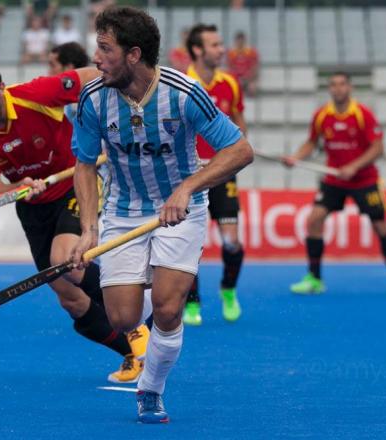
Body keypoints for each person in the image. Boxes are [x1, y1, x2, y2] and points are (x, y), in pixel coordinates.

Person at [71, 6, 253, 423]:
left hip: (181, 210)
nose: (95, 58)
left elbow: (240, 149)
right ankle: (149, 279)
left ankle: (150, 390)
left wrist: (187, 187)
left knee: (170, 310)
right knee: (123, 317)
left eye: (104, 49)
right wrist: (88, 228)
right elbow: (84, 163)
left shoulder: (184, 93)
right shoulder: (93, 100)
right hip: (122, 212)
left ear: (133, 54)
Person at [0, 56, 149, 383]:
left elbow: (89, 75)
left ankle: (138, 317)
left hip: (74, 185)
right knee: (70, 299)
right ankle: (132, 354)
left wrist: (127, 103)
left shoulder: (36, 94)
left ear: (1, 88)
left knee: (67, 263)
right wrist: (19, 187)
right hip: (32, 208)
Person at [283, 72, 386, 296]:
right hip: (334, 179)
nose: (337, 88)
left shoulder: (363, 115)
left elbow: (378, 148)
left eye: (342, 84)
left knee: (380, 226)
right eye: (333, 85)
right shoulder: (322, 116)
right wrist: (296, 157)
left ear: (350, 87)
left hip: (365, 180)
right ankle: (314, 278)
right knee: (315, 219)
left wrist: (354, 166)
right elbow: (312, 142)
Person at [180, 24, 247, 326]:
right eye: (216, 45)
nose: (222, 50)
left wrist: (232, 152)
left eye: (221, 44)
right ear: (198, 50)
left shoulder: (230, 83)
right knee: (187, 245)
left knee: (232, 243)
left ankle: (228, 291)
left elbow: (239, 126)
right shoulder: (181, 84)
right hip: (189, 176)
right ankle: (192, 302)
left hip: (222, 173)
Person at [226, 31, 259, 97]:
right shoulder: (231, 53)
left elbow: (254, 67)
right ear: (235, 41)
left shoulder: (251, 52)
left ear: (244, 41)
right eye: (238, 41)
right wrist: (237, 78)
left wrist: (251, 80)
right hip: (236, 78)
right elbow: (230, 68)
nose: (240, 43)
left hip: (248, 79)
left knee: (252, 87)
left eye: (242, 41)